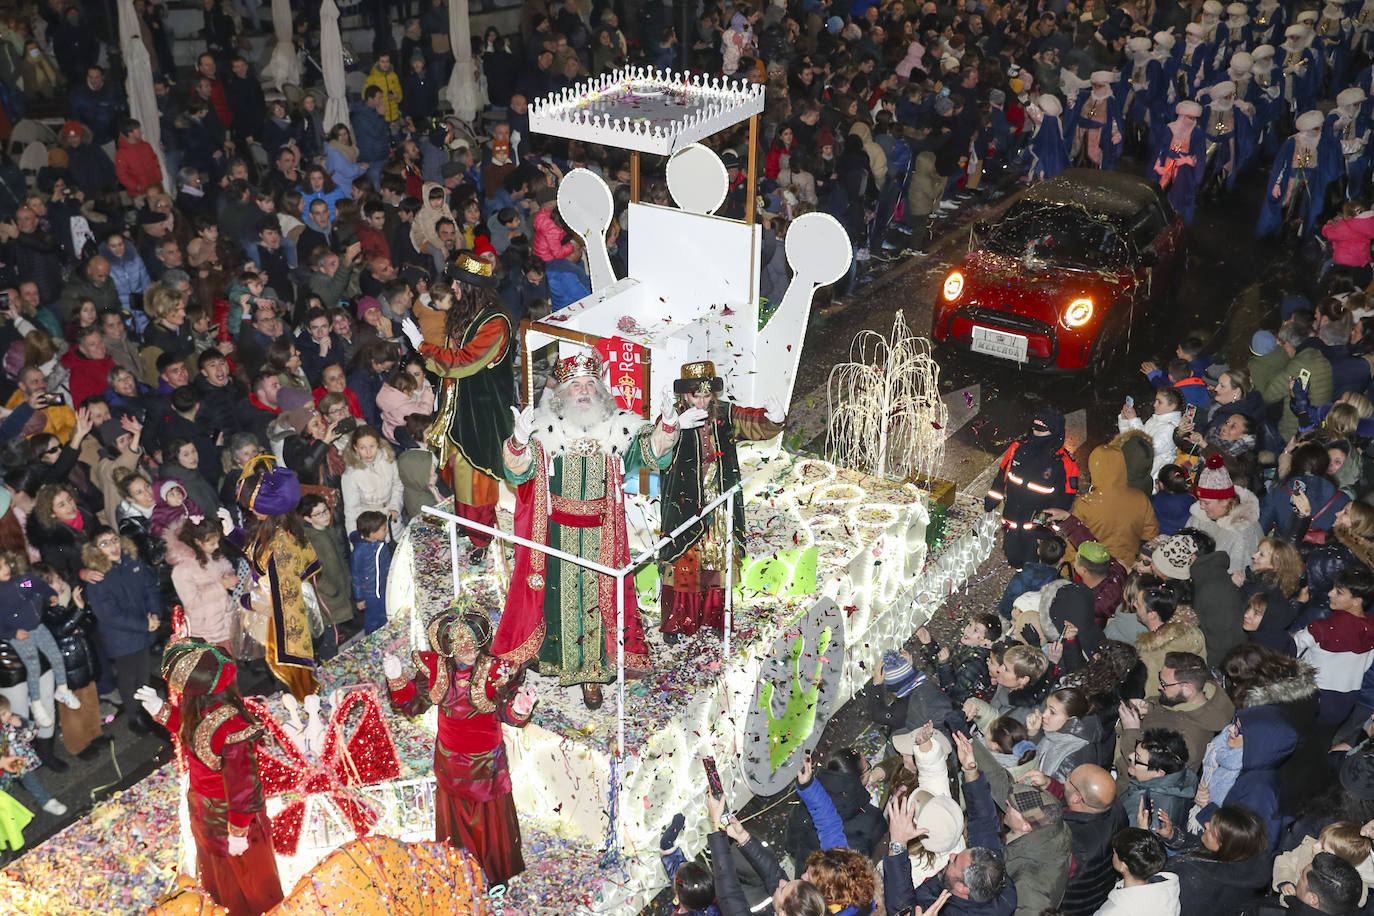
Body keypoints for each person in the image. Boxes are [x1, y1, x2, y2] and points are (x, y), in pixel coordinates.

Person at [492, 352, 692, 709]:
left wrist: (668, 426)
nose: (582, 391)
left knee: (597, 605)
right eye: (575, 385)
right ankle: (557, 659)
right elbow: (517, 473)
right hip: (555, 534)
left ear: (599, 390)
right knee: (554, 599)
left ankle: (591, 674)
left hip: (602, 534)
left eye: (589, 384)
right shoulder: (543, 429)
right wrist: (519, 442)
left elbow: (649, 452)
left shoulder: (618, 427)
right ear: (563, 392)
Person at [383, 608, 536, 887]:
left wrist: (521, 705)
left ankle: (493, 874)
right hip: (451, 763)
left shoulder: (494, 670)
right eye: (459, 643)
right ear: (449, 646)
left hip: (487, 764)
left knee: (490, 823)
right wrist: (397, 680)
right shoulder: (437, 671)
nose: (467, 649)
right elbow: (413, 704)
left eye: (470, 641)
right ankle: (461, 873)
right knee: (459, 823)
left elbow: (506, 710)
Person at [138, 641, 284, 915]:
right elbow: (242, 787)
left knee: (223, 875)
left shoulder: (203, 712)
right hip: (227, 817)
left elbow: (194, 732)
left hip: (207, 813)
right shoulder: (230, 724)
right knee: (252, 880)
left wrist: (162, 709)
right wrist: (239, 831)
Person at [658, 361, 785, 643]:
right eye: (695, 396)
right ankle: (678, 622)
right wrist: (672, 425)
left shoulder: (724, 413)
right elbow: (659, 446)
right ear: (684, 395)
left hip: (720, 500)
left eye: (706, 396)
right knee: (684, 559)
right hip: (684, 503)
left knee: (717, 558)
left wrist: (774, 419)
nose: (702, 402)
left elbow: (753, 421)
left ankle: (716, 618)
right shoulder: (672, 416)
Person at [401, 256, 515, 563]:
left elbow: (464, 361)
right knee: (458, 467)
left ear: (470, 287)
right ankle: (469, 526)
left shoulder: (495, 323)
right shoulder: (469, 314)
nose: (451, 287)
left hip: (483, 411)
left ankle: (482, 537)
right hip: (459, 405)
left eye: (456, 282)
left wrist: (422, 346)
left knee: (477, 474)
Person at [229, 458, 320, 702]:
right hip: (279, 614)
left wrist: (249, 601)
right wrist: (231, 532)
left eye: (253, 506)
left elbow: (282, 600)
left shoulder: (281, 545)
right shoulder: (279, 528)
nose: (249, 511)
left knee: (294, 678)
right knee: (292, 680)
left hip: (283, 625)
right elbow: (258, 550)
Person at [81, 526, 161, 733]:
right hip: (121, 638)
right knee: (128, 678)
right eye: (104, 543)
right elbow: (109, 615)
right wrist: (144, 624)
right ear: (96, 549)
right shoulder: (97, 578)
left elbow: (150, 588)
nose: (112, 546)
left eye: (114, 540)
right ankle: (134, 716)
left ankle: (148, 711)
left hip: (143, 630)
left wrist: (155, 613)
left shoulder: (132, 561)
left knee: (143, 674)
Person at [986, 410, 1081, 568]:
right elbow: (1002, 476)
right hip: (1012, 517)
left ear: (1055, 432)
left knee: (1032, 563)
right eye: (1035, 429)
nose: (1036, 434)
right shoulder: (1017, 449)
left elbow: (1066, 498)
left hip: (1038, 527)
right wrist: (992, 499)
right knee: (1013, 556)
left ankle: (1028, 583)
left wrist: (1047, 524)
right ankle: (1019, 572)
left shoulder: (1064, 462)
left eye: (1042, 431)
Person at [0, 551, 81, 729]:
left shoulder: (21, 582)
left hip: (37, 627)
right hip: (21, 636)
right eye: (1, 567)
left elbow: (36, 584)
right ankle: (36, 704)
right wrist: (12, 633)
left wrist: (50, 594)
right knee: (33, 667)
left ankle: (62, 690)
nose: (6, 569)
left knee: (56, 656)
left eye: (6, 564)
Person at [1097, 827, 1180, 916]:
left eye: (1114, 852)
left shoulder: (1113, 912)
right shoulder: (1168, 891)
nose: (1113, 855)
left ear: (1123, 866)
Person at [350, 511, 391, 634]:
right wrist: (359, 598)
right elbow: (356, 576)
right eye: (384, 529)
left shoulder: (382, 544)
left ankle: (385, 636)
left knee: (385, 615)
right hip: (370, 593)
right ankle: (371, 639)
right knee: (372, 619)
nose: (387, 531)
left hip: (384, 589)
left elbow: (387, 564)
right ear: (372, 534)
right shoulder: (359, 552)